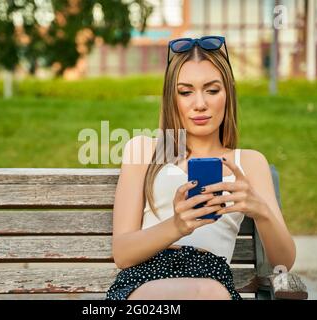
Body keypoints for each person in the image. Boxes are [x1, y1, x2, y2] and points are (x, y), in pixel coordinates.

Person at [105, 36, 296, 300]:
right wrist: (176, 226)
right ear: (172, 98)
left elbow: (283, 263)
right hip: (144, 279)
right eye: (186, 92)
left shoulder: (250, 162)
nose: (200, 104)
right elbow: (123, 253)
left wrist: (261, 211)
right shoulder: (144, 150)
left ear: (227, 93)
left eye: (212, 90)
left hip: (212, 278)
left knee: (207, 291)